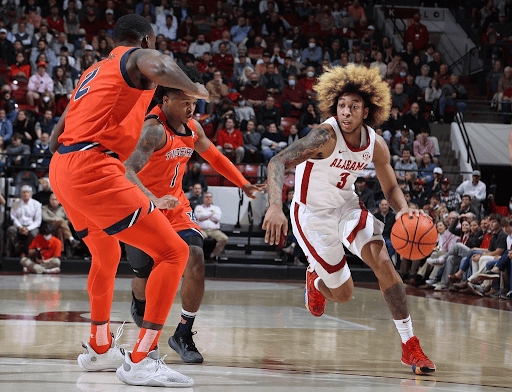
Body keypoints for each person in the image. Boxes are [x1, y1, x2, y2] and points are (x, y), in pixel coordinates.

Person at [48, 14, 209, 387]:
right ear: (147, 40)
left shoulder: (92, 72)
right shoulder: (135, 57)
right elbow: (153, 63)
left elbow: (55, 139)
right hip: (93, 167)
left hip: (62, 169)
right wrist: (197, 89)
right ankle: (140, 360)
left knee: (106, 256)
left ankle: (100, 348)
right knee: (174, 253)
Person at [262, 65, 435, 375]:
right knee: (344, 294)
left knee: (383, 262)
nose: (346, 111)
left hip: (346, 206)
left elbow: (391, 185)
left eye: (354, 106)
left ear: (366, 110)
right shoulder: (323, 136)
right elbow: (278, 161)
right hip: (311, 214)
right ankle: (315, 280)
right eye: (342, 105)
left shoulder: (375, 143)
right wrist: (275, 206)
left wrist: (405, 210)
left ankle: (410, 345)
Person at [122, 79, 263, 363]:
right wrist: (154, 199)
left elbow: (215, 156)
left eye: (193, 103)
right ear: (165, 101)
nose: (191, 108)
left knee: (196, 256)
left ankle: (183, 333)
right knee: (144, 276)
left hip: (176, 207)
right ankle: (139, 301)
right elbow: (127, 171)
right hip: (143, 207)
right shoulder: (153, 130)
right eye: (184, 102)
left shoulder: (193, 129)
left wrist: (242, 183)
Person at [195, 192, 229, 263]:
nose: (208, 198)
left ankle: (213, 255)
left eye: (210, 197)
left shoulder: (216, 208)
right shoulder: (198, 207)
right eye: (206, 197)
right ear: (203, 199)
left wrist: (205, 216)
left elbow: (217, 218)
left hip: (214, 230)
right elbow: (199, 217)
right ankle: (199, 256)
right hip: (202, 229)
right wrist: (211, 214)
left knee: (224, 238)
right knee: (198, 238)